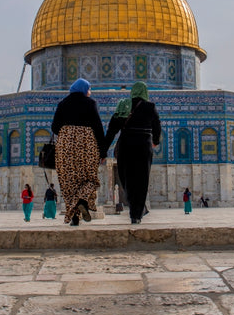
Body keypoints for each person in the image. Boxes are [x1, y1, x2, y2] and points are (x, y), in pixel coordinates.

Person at [51, 78, 107, 226]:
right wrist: (103, 151)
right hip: (86, 145)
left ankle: (75, 217)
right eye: (89, 89)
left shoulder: (62, 104)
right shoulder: (91, 103)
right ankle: (82, 201)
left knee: (69, 182)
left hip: (66, 146)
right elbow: (98, 127)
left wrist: (67, 132)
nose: (90, 92)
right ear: (84, 89)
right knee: (89, 178)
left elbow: (54, 127)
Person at [114, 81, 161, 224]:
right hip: (143, 146)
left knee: (126, 178)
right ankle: (138, 211)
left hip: (125, 146)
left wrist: (104, 146)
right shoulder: (150, 106)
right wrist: (155, 141)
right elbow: (157, 126)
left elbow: (114, 126)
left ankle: (136, 211)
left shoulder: (124, 105)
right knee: (141, 179)